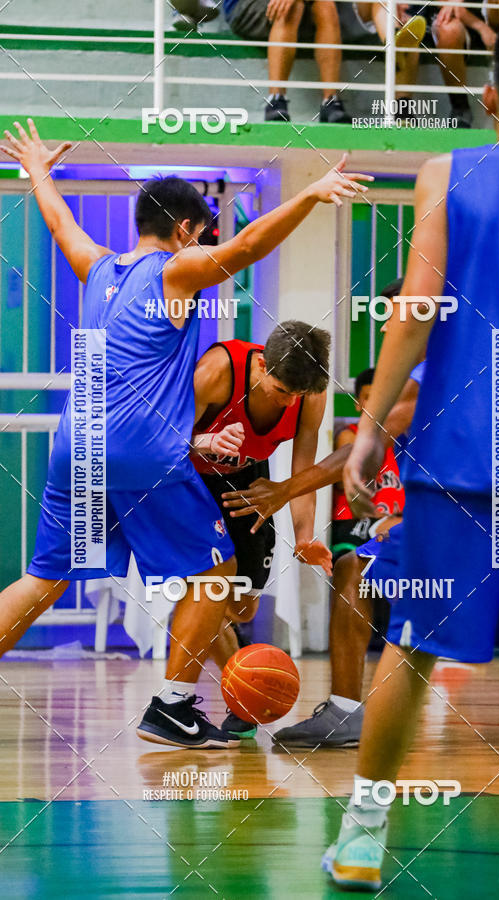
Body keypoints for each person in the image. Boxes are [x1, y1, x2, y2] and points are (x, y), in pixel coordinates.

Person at [323, 20, 499, 896]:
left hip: (461, 450)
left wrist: (369, 424)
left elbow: (414, 310)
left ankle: (364, 839)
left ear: (487, 94)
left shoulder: (449, 173)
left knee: (409, 644)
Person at [0, 122, 371, 749]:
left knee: (44, 580)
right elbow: (251, 245)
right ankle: (172, 706)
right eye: (202, 235)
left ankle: (180, 702)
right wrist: (310, 194)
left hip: (76, 445)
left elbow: (61, 225)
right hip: (141, 450)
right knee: (218, 571)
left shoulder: (99, 269)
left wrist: (38, 172)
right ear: (185, 232)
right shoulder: (173, 274)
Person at [189, 322, 333, 739]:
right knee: (207, 589)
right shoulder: (219, 370)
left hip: (251, 483)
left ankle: (240, 685)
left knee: (244, 606)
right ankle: (241, 697)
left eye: (296, 395)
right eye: (281, 391)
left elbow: (302, 469)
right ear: (261, 364)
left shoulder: (310, 394)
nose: (289, 402)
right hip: (190, 479)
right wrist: (209, 441)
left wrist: (304, 535)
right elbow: (163, 437)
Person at [271, 362, 423, 747]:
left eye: (392, 316)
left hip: (467, 519)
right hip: (478, 517)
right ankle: (344, 713)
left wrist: (284, 489)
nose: (386, 326)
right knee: (352, 566)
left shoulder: (424, 376)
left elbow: (366, 448)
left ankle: (347, 715)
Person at [223, 0, 352, 122]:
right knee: (292, 8)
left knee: (326, 7)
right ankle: (276, 99)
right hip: (245, 6)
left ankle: (330, 102)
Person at [433, 0, 499, 127]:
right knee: (449, 29)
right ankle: (461, 110)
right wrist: (481, 27)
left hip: (484, 16)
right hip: (453, 21)